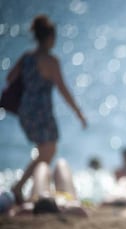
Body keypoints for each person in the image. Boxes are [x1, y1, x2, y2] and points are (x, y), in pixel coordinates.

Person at [8, 15, 87, 204]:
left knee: (44, 149)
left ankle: (33, 188)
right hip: (41, 111)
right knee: (48, 150)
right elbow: (63, 89)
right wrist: (78, 113)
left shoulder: (26, 58)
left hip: (25, 110)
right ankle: (21, 187)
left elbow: (10, 78)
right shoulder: (51, 60)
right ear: (49, 37)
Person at [9, 158, 88, 217]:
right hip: (64, 197)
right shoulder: (67, 207)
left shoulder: (31, 208)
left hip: (39, 199)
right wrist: (62, 211)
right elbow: (82, 212)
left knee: (42, 166)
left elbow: (14, 213)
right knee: (61, 164)